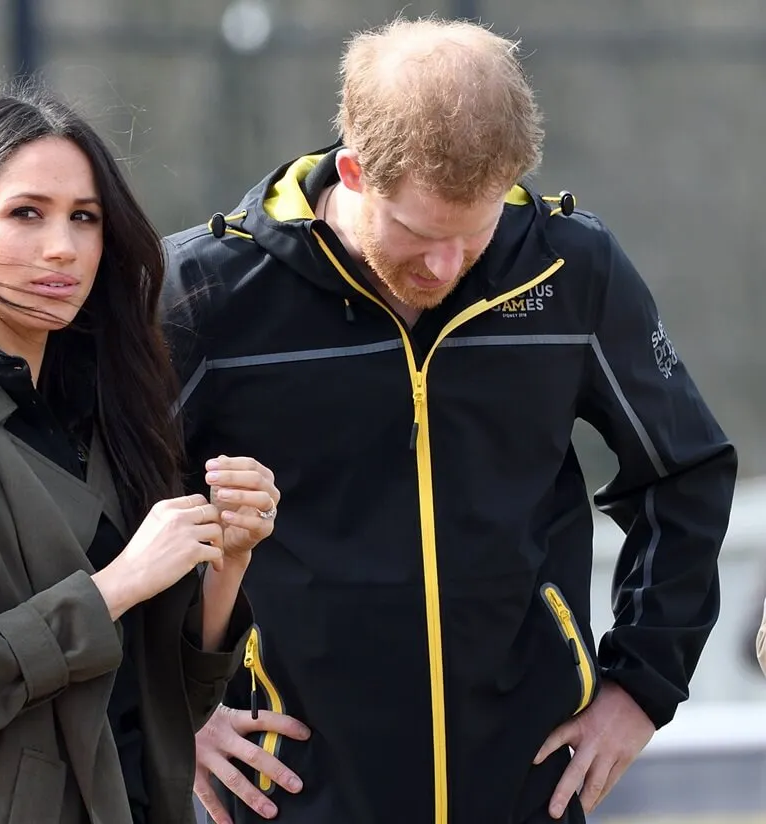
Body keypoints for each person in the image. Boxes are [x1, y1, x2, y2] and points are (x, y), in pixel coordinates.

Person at [161, 17, 738, 824]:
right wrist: (166, 709)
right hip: (293, 790)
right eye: (419, 233)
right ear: (355, 170)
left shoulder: (571, 269)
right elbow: (96, 508)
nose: (443, 266)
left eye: (475, 234)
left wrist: (644, 687)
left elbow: (685, 474)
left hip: (525, 781)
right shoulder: (205, 294)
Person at [0, 84, 282, 824]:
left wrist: (227, 566)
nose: (62, 247)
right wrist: (117, 585)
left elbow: (173, 707)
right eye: (26, 213)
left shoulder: (112, 411)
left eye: (84, 218)